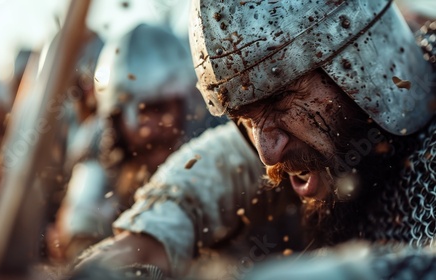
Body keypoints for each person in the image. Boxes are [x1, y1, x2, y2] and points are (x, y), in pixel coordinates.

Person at [72, 0, 436, 279]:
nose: (267, 154)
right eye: (245, 118)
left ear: (362, 66)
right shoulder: (342, 145)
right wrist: (150, 237)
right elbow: (227, 163)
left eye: (280, 99)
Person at [46, 23, 211, 262]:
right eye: (146, 110)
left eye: (165, 107)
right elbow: (81, 238)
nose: (157, 125)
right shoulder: (96, 152)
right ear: (117, 116)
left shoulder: (206, 144)